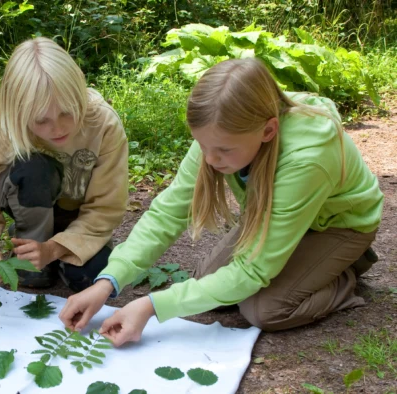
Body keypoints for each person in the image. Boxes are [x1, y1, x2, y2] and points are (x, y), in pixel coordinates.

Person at [59, 58, 384, 345]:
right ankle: (304, 265)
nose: (211, 160)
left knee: (264, 309)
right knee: (209, 288)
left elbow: (253, 271)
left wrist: (151, 306)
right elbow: (167, 214)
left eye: (225, 151)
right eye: (203, 146)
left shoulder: (308, 160)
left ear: (268, 131)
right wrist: (107, 281)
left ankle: (343, 272)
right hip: (274, 214)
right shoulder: (218, 137)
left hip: (337, 226)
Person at [0, 37, 128, 292]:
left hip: (79, 218)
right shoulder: (5, 132)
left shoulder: (103, 125)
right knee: (34, 168)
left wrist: (54, 249)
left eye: (67, 112)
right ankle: (32, 244)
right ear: (18, 112)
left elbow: (106, 208)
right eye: (41, 120)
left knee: (91, 278)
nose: (57, 127)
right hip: (32, 207)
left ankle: (59, 248)